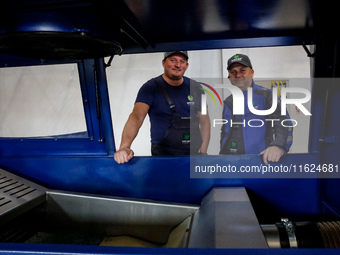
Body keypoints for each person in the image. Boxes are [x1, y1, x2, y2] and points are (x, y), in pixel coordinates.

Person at [114, 51, 210, 164]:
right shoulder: (149, 88)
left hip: (193, 155)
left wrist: (203, 152)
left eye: (182, 61)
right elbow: (136, 117)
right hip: (162, 156)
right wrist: (124, 146)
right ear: (164, 63)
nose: (178, 65)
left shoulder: (197, 88)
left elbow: (205, 121)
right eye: (173, 60)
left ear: (187, 65)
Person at [220, 53, 293, 164]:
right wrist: (222, 156)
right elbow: (225, 133)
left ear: (252, 73)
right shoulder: (228, 102)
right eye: (233, 72)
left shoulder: (267, 95)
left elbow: (284, 122)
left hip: (261, 162)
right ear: (229, 76)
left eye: (242, 70)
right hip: (232, 163)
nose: (238, 75)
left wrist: (278, 146)